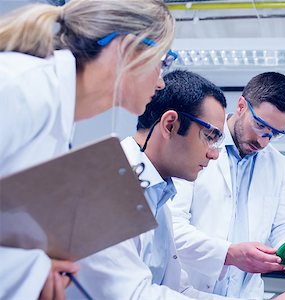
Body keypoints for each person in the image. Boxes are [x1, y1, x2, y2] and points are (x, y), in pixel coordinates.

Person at [67, 70, 285, 300]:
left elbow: (179, 290)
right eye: (209, 137)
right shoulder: (109, 186)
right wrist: (230, 254)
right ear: (169, 125)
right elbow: (134, 294)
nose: (215, 153)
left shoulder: (159, 195)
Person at [0, 0, 175, 298]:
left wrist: (37, 270)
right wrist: (31, 271)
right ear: (128, 49)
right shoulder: (19, 89)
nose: (160, 82)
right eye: (164, 60)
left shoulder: (56, 114)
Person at [168, 72, 285, 299]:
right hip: (188, 292)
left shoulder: (279, 166)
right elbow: (172, 228)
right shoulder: (198, 147)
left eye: (275, 134)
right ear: (241, 106)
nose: (264, 141)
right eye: (260, 126)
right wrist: (228, 254)